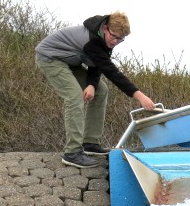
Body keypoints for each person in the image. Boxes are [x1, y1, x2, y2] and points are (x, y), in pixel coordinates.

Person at [35, 12, 156, 169]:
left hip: (70, 60)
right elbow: (110, 71)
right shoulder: (92, 41)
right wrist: (140, 96)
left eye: (120, 39)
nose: (115, 41)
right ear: (105, 28)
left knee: (101, 89)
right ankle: (72, 153)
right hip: (51, 58)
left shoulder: (105, 39)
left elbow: (97, 63)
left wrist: (91, 84)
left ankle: (90, 143)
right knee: (74, 96)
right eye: (114, 36)